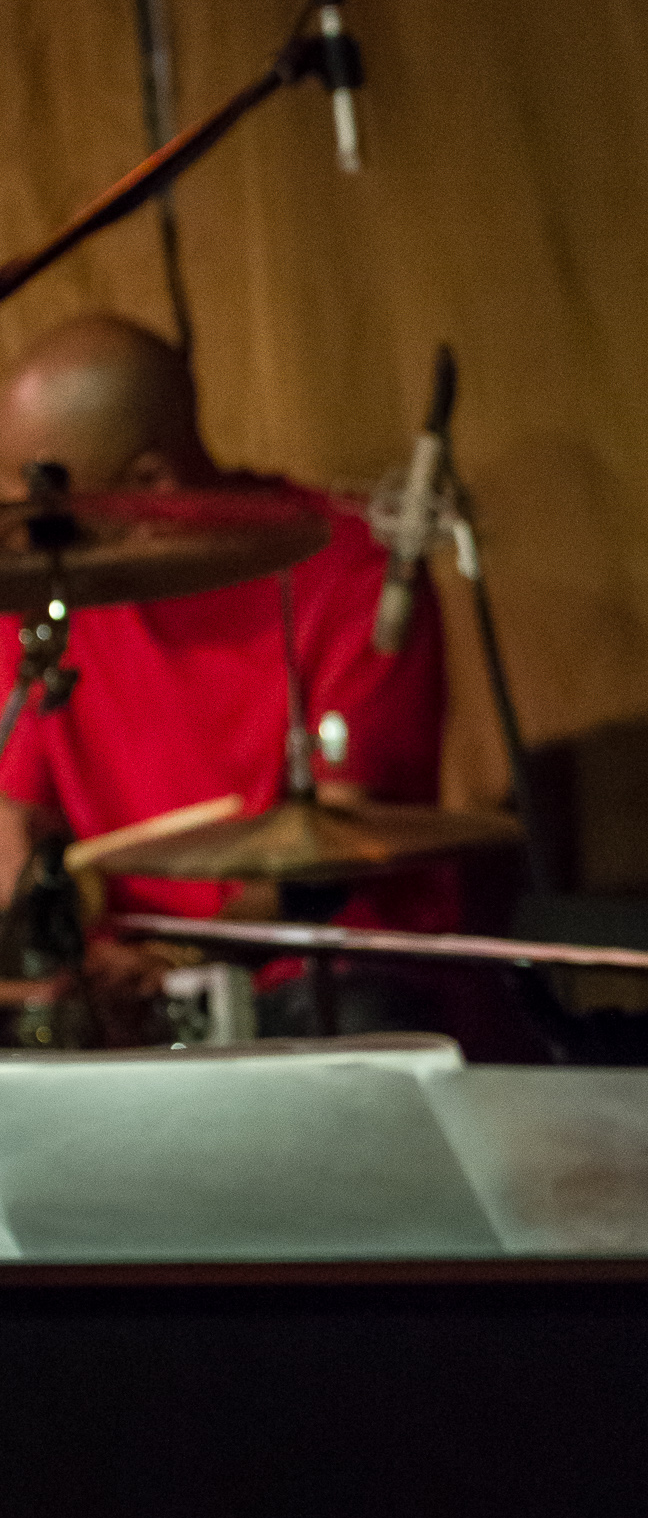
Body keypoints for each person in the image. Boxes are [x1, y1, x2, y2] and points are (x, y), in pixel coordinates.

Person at [0, 315, 453, 1027]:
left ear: (149, 485)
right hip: (121, 981)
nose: (24, 537)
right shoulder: (48, 588)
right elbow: (16, 817)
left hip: (319, 976)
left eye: (49, 511)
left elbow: (335, 846)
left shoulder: (347, 569)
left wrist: (176, 959)